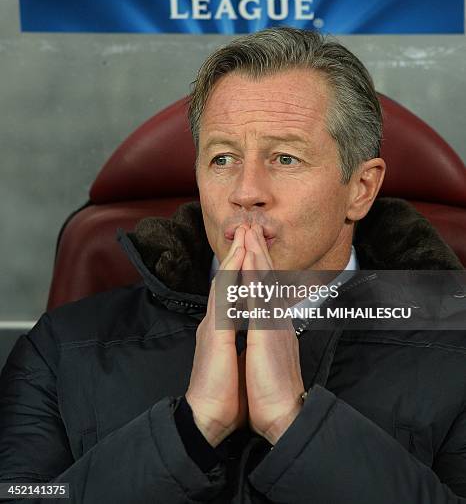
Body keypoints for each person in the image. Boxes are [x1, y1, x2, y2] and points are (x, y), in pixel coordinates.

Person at [0, 27, 464, 504]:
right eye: (222, 159)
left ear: (361, 188)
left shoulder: (457, 350)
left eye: (285, 158)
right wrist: (192, 426)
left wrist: (294, 422)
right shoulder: (60, 348)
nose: (245, 191)